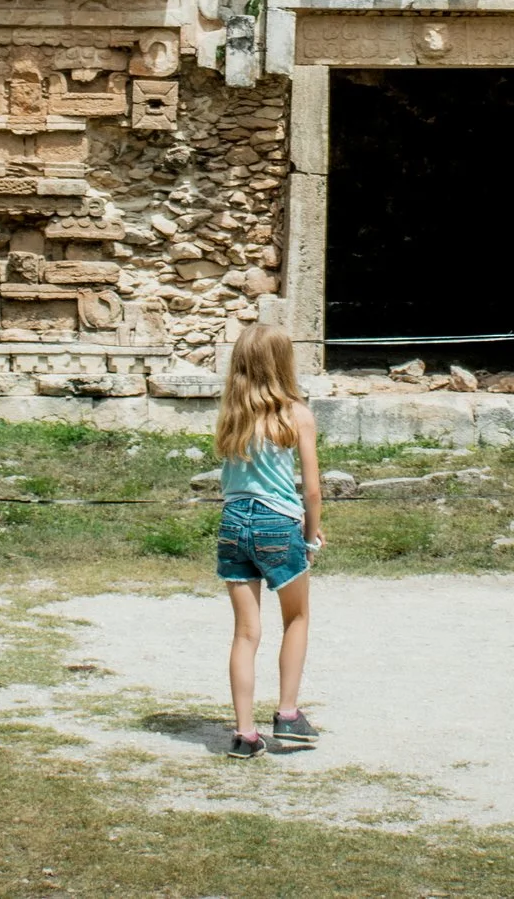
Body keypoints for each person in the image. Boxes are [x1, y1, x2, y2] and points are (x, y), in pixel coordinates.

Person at [211, 321, 324, 759]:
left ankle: (244, 733)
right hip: (279, 524)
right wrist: (311, 534)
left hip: (233, 521)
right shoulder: (297, 414)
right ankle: (289, 714)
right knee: (296, 618)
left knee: (245, 632)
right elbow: (311, 488)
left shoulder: (232, 415)